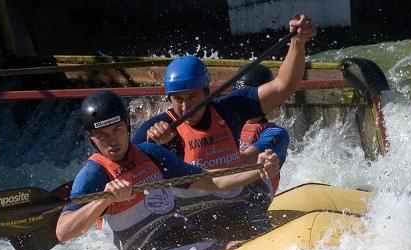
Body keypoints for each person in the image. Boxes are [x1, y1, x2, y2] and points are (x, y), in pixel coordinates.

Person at [131, 15, 315, 238]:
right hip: (192, 214)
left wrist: (297, 42)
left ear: (208, 93)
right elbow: (123, 169)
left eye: (193, 96)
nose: (186, 105)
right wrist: (153, 147)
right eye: (177, 99)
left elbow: (283, 85)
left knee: (280, 137)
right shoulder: (156, 129)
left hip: (237, 199)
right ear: (169, 98)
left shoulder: (231, 109)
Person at [56, 91, 279, 250]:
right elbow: (63, 232)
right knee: (235, 248)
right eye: (102, 135)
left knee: (248, 236)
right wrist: (103, 201)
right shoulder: (94, 174)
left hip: (186, 235)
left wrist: (259, 171)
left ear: (127, 126)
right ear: (91, 138)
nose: (112, 141)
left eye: (117, 130)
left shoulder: (151, 153)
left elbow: (212, 181)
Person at [235, 63, 290, 200]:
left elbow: (246, 159)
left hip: (254, 199)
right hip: (220, 193)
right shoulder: (225, 124)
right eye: (239, 95)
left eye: (250, 96)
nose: (243, 101)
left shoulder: (276, 134)